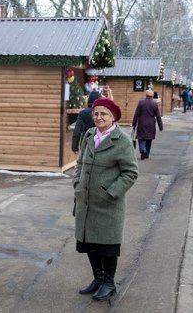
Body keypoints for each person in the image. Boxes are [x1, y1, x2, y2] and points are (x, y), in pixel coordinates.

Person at [73, 97, 138, 302]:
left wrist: (111, 192)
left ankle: (109, 283)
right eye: (96, 113)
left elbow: (131, 172)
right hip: (86, 201)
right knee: (89, 242)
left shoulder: (122, 141)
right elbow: (80, 163)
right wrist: (77, 183)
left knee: (107, 246)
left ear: (113, 117)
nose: (99, 117)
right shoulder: (90, 134)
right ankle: (98, 279)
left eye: (104, 114)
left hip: (108, 204)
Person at [132, 90, 163, 160]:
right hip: (151, 124)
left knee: (141, 138)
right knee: (149, 140)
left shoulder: (141, 102)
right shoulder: (154, 104)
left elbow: (136, 114)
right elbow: (158, 116)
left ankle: (143, 150)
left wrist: (134, 124)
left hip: (142, 123)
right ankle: (147, 153)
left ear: (146, 95)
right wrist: (160, 126)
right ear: (152, 96)